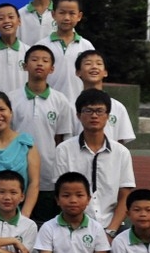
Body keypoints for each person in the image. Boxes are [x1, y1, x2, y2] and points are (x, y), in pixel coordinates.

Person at [54, 89, 135, 234]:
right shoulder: (64, 150)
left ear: (108, 116)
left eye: (99, 111)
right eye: (88, 111)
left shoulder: (121, 153)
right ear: (78, 115)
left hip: (113, 225)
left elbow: (125, 195)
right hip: (74, 225)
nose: (94, 116)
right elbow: (62, 193)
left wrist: (111, 231)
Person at [9, 44, 74, 222]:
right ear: (25, 65)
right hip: (17, 172)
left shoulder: (60, 100)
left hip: (48, 175)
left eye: (45, 61)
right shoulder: (11, 98)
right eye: (34, 59)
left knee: (45, 224)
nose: (39, 64)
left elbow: (61, 139)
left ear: (52, 69)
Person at [37, 0, 94, 102]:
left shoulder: (86, 46)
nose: (67, 18)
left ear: (79, 16)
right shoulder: (42, 46)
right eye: (62, 13)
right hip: (49, 104)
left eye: (72, 13)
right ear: (53, 14)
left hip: (79, 105)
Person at [71, 50, 136, 143]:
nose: (94, 67)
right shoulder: (70, 107)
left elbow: (120, 142)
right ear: (78, 72)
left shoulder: (117, 107)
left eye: (99, 63)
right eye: (88, 63)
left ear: (105, 72)